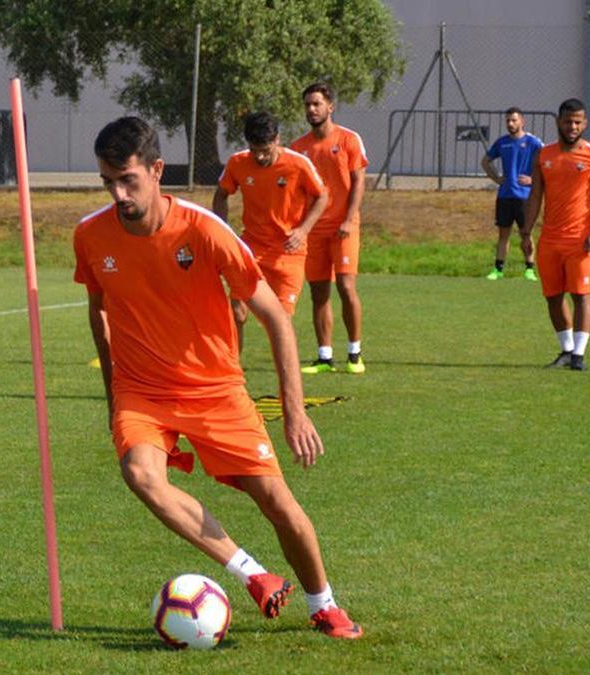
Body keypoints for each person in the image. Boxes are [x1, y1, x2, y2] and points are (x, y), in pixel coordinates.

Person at [75, 116, 362, 639]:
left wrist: (293, 411)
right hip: (142, 392)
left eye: (128, 180)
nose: (118, 194)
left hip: (216, 390)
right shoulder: (91, 236)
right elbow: (99, 311)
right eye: (107, 182)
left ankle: (324, 604)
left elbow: (275, 317)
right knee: (141, 475)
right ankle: (252, 574)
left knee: (277, 502)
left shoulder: (206, 232)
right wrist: (114, 393)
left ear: (157, 170)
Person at [213, 111, 327, 352]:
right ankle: (233, 375)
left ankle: (287, 387)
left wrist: (303, 230)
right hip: (251, 248)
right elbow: (221, 194)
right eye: (254, 150)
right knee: (237, 312)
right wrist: (224, 231)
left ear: (277, 139)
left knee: (280, 322)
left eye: (265, 149)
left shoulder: (298, 164)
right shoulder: (238, 162)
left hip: (288, 252)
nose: (260, 156)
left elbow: (322, 196)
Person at [523, 98, 590, 372]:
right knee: (552, 296)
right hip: (550, 239)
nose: (572, 126)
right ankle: (566, 350)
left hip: (581, 239)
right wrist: (526, 233)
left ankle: (579, 357)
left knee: (581, 295)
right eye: (567, 121)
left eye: (577, 121)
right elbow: (535, 195)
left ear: (585, 123)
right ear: (558, 122)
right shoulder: (544, 155)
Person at [290, 82, 369, 374]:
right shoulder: (298, 149)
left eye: (317, 104)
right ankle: (325, 357)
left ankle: (354, 352)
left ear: (330, 107)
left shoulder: (349, 140)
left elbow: (359, 181)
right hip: (314, 230)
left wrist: (349, 218)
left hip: (344, 226)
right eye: (308, 105)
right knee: (319, 292)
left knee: (347, 287)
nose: (311, 110)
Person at [481, 107, 543, 281]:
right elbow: (485, 161)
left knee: (526, 233)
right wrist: (497, 178)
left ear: (522, 121)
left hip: (525, 197)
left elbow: (547, 161)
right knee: (503, 235)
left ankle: (530, 269)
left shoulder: (533, 142)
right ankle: (498, 270)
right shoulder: (502, 142)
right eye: (508, 120)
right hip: (505, 196)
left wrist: (533, 180)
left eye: (514, 120)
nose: (510, 123)